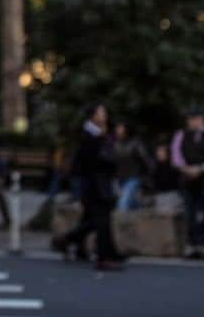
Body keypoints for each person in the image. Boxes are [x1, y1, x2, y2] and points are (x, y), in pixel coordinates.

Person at [53, 103, 123, 270]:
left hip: (98, 181)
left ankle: (73, 243)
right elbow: (94, 160)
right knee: (101, 219)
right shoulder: (89, 135)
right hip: (92, 183)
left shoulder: (100, 134)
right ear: (92, 116)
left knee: (93, 218)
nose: (104, 115)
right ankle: (103, 256)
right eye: (100, 112)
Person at [171, 107, 204, 261]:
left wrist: (200, 169)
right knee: (190, 216)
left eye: (191, 118)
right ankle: (192, 246)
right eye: (188, 118)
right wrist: (186, 168)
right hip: (188, 180)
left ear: (201, 118)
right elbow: (176, 155)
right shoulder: (181, 134)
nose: (188, 121)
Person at [112, 121, 151, 211]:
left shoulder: (136, 143)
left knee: (122, 204)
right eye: (117, 128)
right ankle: (141, 210)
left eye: (120, 128)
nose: (118, 131)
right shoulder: (115, 144)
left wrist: (146, 178)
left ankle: (120, 224)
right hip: (120, 179)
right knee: (132, 204)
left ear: (126, 130)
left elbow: (146, 160)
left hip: (133, 177)